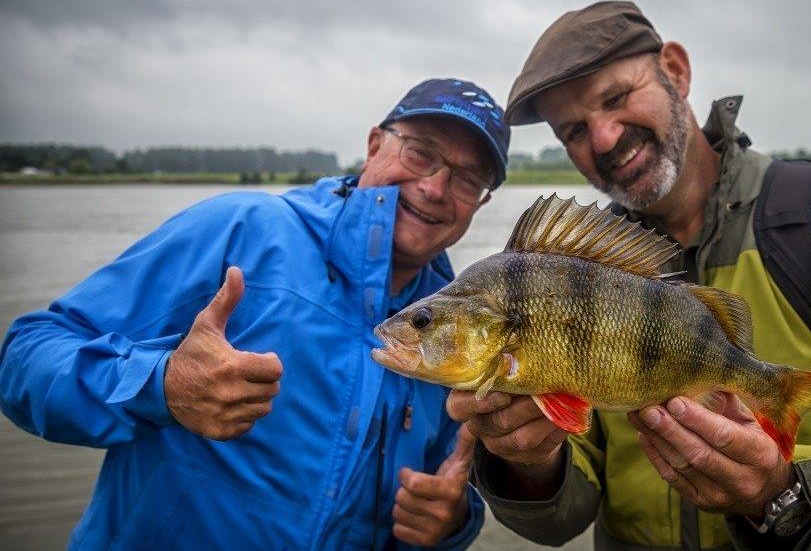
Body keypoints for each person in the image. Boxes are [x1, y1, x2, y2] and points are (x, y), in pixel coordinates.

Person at [447, 1, 811, 550]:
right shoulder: (578, 268)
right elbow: (565, 514)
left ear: (675, 71)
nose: (604, 138)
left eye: (616, 98)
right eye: (573, 131)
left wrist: (784, 493)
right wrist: (530, 462)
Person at [0, 78, 510, 550]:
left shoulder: (464, 329)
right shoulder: (240, 231)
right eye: (421, 154)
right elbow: (25, 357)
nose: (437, 188)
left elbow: (448, 480)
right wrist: (162, 386)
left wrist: (453, 524)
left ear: (480, 204)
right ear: (375, 145)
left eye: (468, 180)